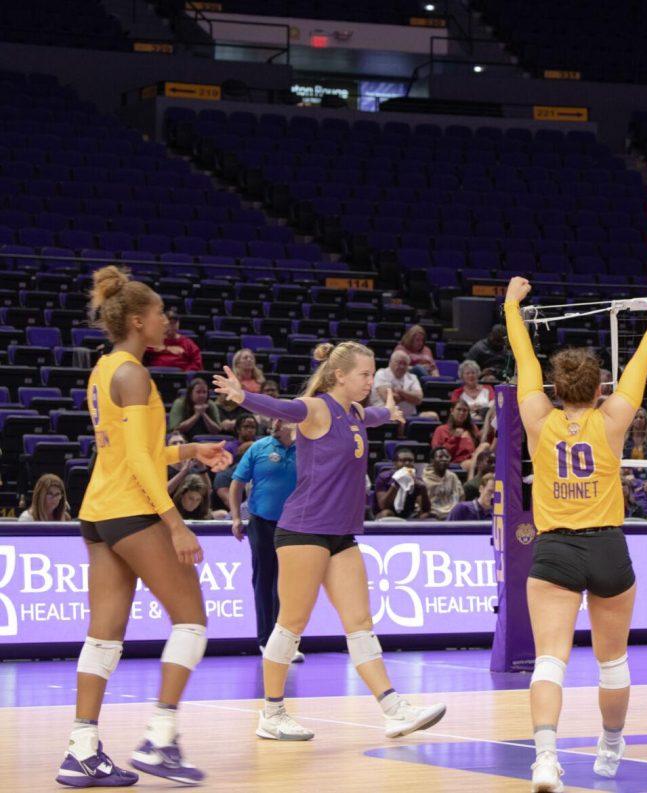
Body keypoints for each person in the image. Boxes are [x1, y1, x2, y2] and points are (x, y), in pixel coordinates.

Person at [213, 343, 446, 742]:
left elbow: (369, 417)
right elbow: (283, 409)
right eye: (364, 375)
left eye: (373, 375)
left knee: (360, 623)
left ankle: (394, 709)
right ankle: (271, 713)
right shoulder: (317, 407)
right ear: (340, 375)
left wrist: (387, 413)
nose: (371, 381)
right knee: (291, 624)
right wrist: (243, 396)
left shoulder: (355, 411)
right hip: (304, 529)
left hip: (341, 532)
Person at [58, 266, 231, 787]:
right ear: (137, 319)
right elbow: (137, 461)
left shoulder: (106, 368)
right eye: (159, 312)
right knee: (192, 621)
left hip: (98, 512)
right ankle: (159, 740)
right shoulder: (133, 373)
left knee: (104, 635)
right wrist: (175, 524)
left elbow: (135, 450)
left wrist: (190, 449)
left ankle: (81, 749)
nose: (166, 320)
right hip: (131, 509)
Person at [506, 274, 647, 791]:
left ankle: (544, 758)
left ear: (556, 389)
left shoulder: (537, 416)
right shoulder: (614, 418)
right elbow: (642, 361)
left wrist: (513, 305)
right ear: (599, 388)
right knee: (613, 662)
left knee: (549, 662)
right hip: (606, 547)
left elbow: (525, 360)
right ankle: (610, 744)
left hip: (555, 548)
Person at [230, 420, 300, 657]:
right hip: (261, 523)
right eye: (275, 419)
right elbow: (237, 482)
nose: (276, 422)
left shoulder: (307, 450)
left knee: (290, 585)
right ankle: (265, 639)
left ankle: (287, 642)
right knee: (264, 580)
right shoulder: (259, 447)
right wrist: (236, 518)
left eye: (281, 418)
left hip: (294, 526)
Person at [375, 447, 432, 519]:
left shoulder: (417, 480)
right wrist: (396, 484)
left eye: (410, 461)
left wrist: (423, 489)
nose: (407, 463)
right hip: (387, 514)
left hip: (409, 514)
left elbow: (425, 509)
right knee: (386, 513)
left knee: (425, 515)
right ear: (395, 463)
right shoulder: (384, 478)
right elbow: (383, 506)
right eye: (403, 461)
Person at [143, 307, 201, 372]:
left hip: (179, 378)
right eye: (170, 322)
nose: (172, 326)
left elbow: (197, 363)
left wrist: (184, 374)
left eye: (174, 323)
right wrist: (167, 349)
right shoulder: (153, 339)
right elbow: (143, 350)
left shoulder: (187, 343)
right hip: (154, 376)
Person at [370, 349, 424, 418]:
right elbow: (388, 398)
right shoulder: (381, 374)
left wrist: (401, 392)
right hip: (385, 416)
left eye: (405, 364)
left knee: (432, 416)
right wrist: (410, 397)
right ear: (390, 362)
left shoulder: (412, 377)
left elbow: (419, 399)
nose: (401, 366)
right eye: (399, 363)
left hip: (409, 416)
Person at [422, 446, 464, 520]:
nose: (444, 459)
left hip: (453, 514)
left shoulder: (452, 476)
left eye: (447, 457)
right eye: (440, 457)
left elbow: (461, 496)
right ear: (432, 460)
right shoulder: (424, 478)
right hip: (433, 515)